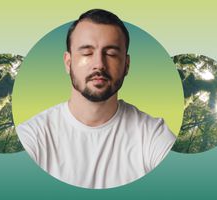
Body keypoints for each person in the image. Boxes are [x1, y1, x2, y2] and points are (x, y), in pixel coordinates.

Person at [17, 9, 176, 189]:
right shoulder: (33, 135)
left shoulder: (152, 134)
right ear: (68, 63)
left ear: (127, 65)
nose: (99, 64)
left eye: (111, 54)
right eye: (87, 53)